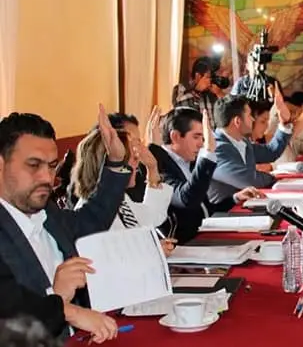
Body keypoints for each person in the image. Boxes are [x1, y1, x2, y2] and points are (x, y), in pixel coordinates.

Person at [0, 108, 129, 342]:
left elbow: (92, 219)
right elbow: (9, 320)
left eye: (51, 166)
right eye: (33, 165)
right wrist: (58, 300)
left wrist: (115, 162)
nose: (47, 178)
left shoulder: (48, 213)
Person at [148, 107, 261, 244]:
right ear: (175, 136)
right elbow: (187, 199)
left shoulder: (190, 161)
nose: (201, 144)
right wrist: (208, 153)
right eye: (196, 137)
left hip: (205, 236)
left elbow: (205, 210)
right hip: (183, 246)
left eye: (203, 138)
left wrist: (235, 198)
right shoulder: (159, 166)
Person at [71, 129, 175, 255]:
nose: (137, 161)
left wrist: (152, 168)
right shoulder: (91, 214)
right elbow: (110, 260)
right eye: (133, 157)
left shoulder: (120, 200)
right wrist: (151, 251)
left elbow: (150, 217)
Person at [211, 92, 292, 189]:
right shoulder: (216, 148)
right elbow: (248, 180)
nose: (253, 119)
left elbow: (271, 152)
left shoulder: (242, 141)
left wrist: (284, 123)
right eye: (249, 115)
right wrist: (273, 178)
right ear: (237, 121)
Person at [172, 57, 218, 126]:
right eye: (208, 77)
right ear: (198, 76)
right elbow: (180, 107)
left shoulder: (211, 93)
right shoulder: (181, 88)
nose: (210, 81)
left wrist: (219, 94)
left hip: (212, 132)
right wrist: (197, 90)